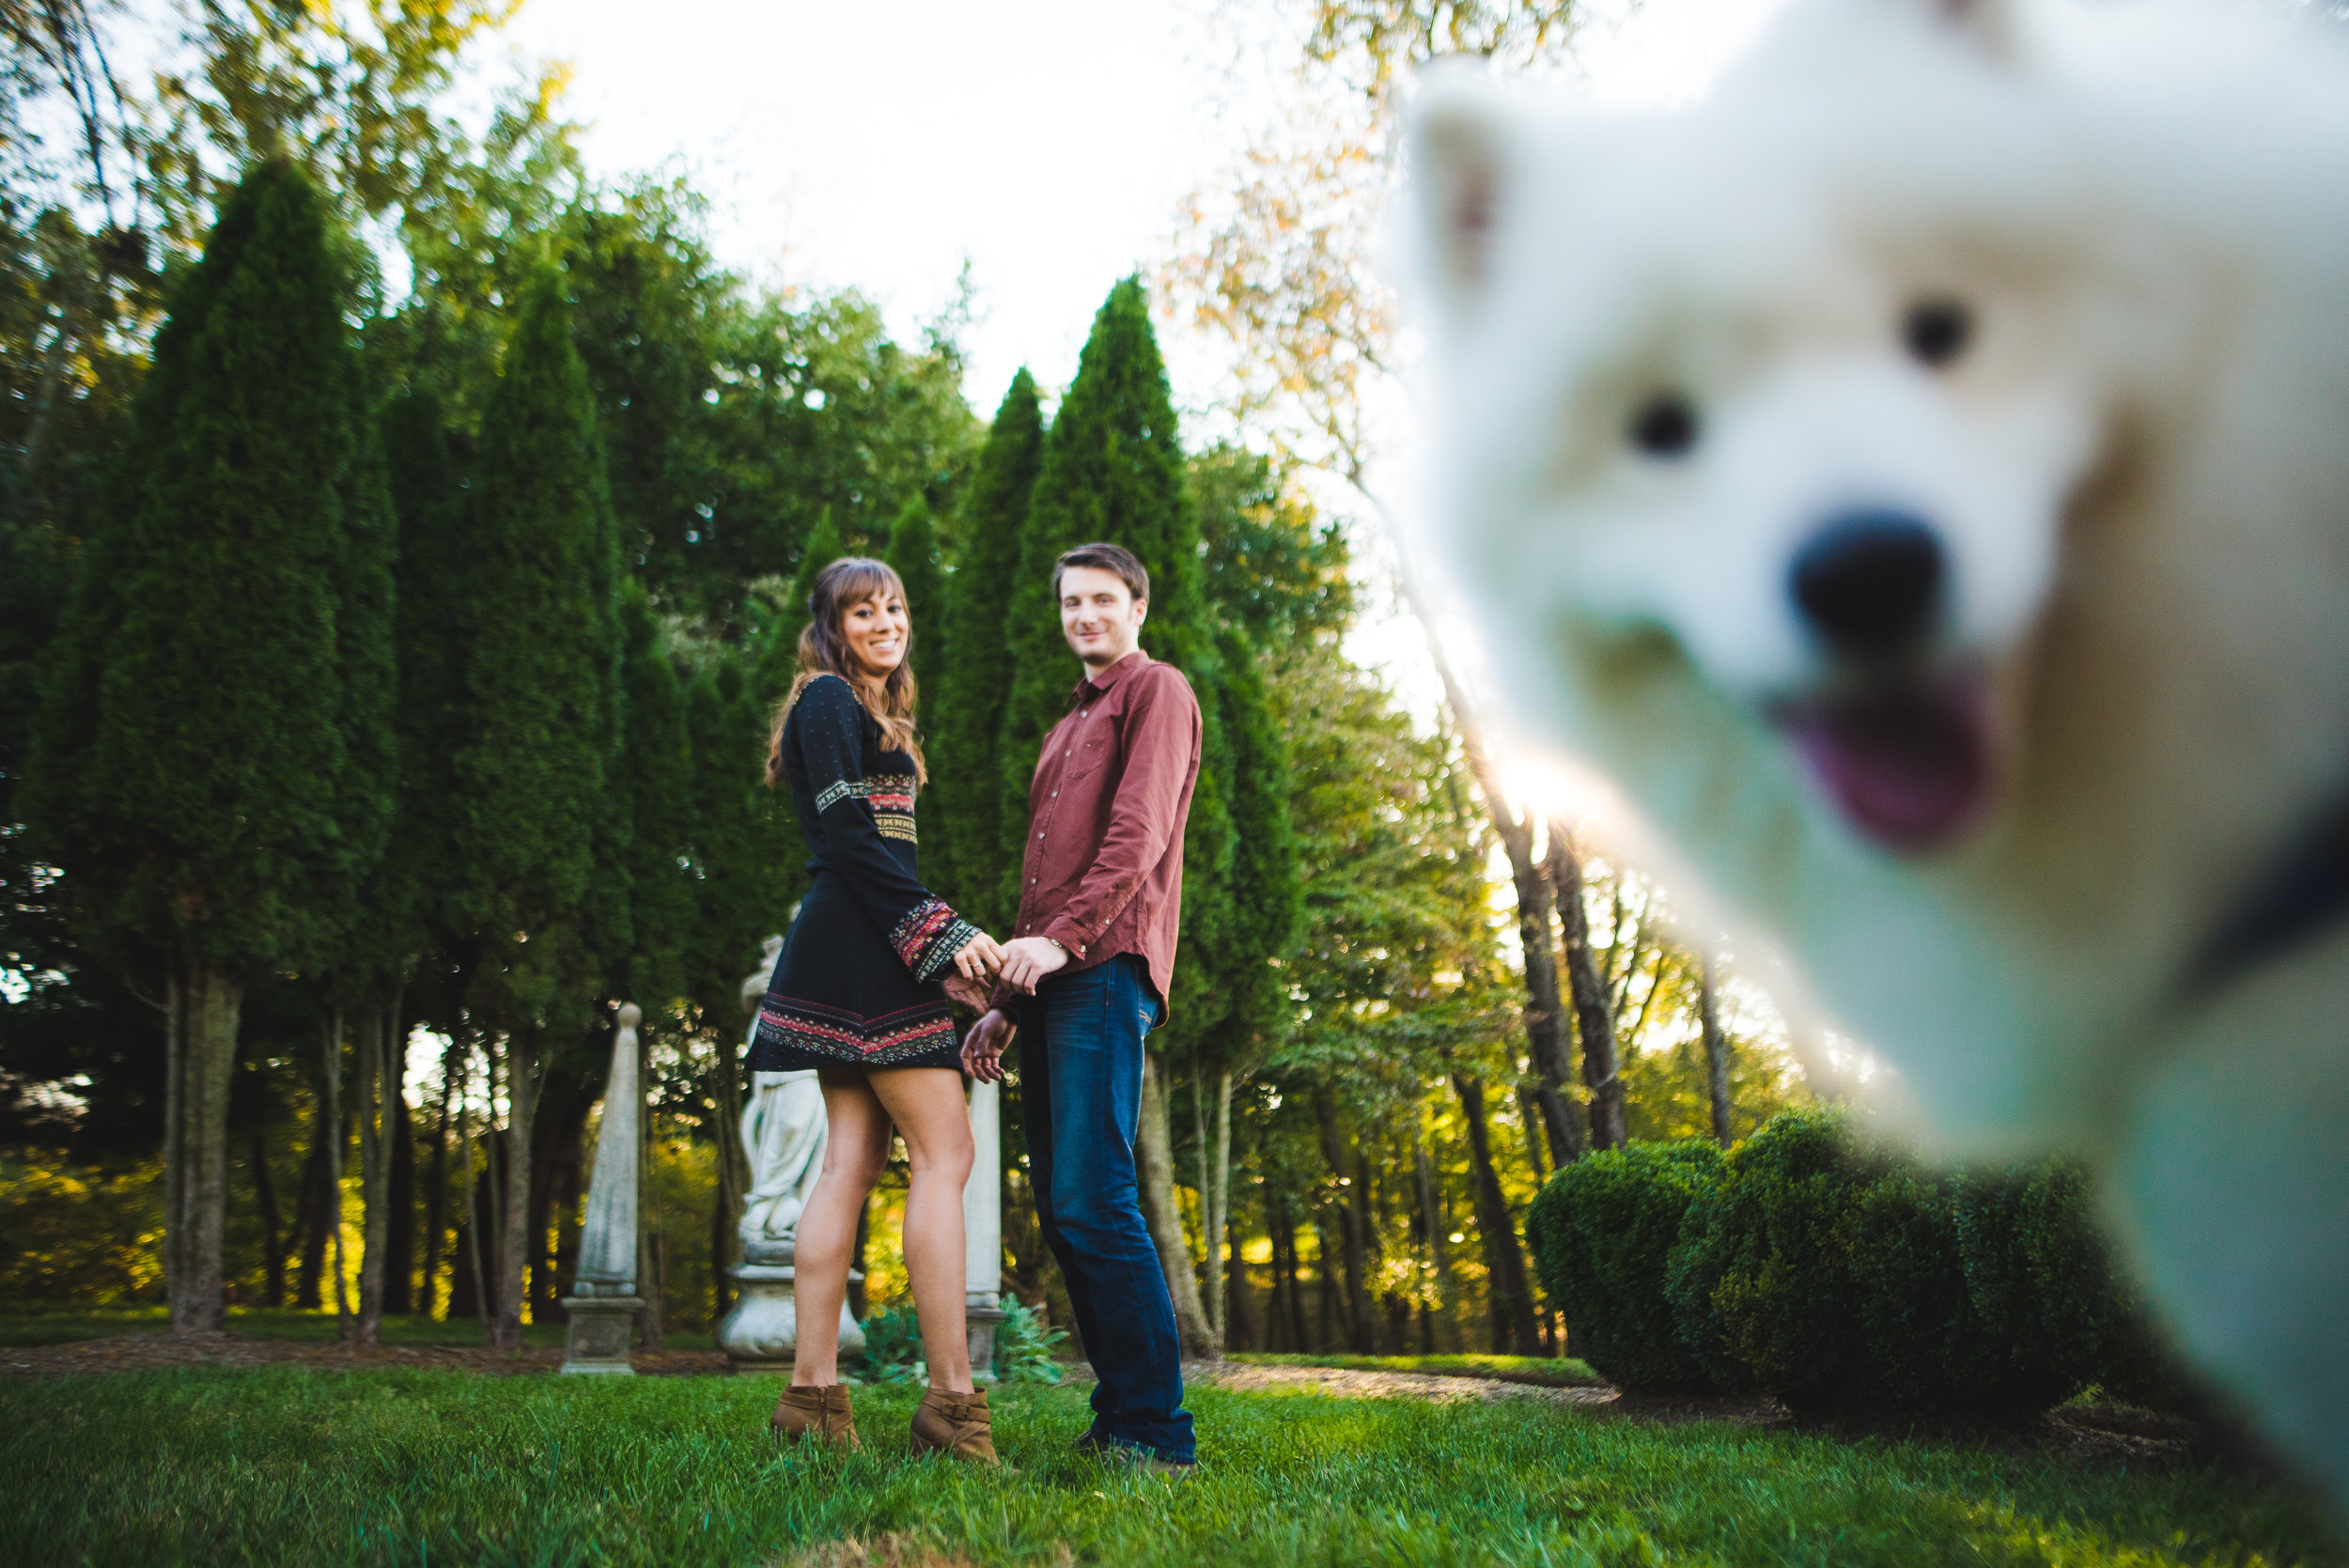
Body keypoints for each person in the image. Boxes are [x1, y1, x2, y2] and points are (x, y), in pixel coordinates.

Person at [749, 556, 1009, 1464]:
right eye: (864, 611)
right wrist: (939, 934)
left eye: (894, 607)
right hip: (864, 945)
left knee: (851, 1162)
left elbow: (872, 853)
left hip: (863, 941)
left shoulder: (866, 709)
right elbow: (855, 841)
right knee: (947, 1152)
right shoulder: (827, 701)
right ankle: (951, 1403)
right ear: (832, 625)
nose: (885, 622)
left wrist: (935, 953)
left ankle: (813, 1401)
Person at [961, 542, 1204, 1474]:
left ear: (1137, 606)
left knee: (1096, 1198)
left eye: (1102, 599)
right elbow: (1044, 889)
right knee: (1065, 1212)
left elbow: (1137, 833)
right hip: (1057, 978)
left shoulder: (1158, 691)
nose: (1085, 615)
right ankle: (1119, 1416)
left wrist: (1062, 944)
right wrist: (1010, 1005)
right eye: (1071, 602)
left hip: (1107, 967)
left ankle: (1157, 1430)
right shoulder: (1067, 724)